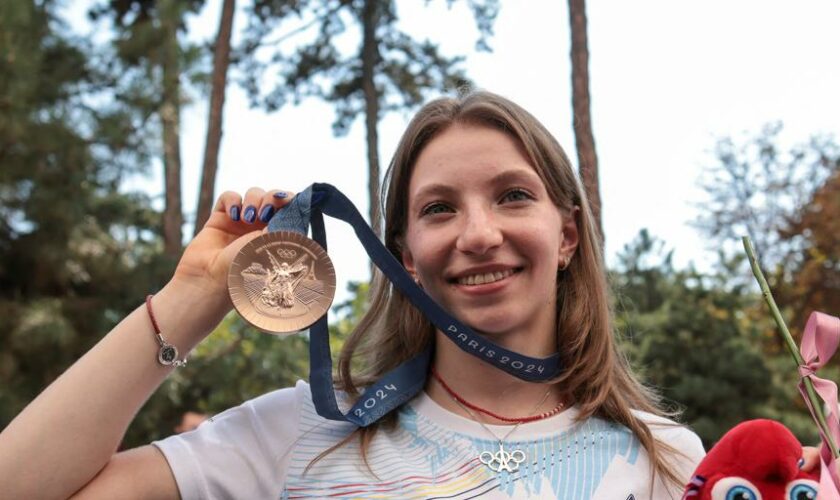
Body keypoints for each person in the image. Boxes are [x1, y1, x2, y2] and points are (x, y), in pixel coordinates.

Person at [1, 91, 711, 499]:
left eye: (514, 196)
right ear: (405, 256)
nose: (478, 232)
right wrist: (191, 299)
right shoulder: (298, 434)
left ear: (567, 236)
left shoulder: (668, 461)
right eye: (438, 209)